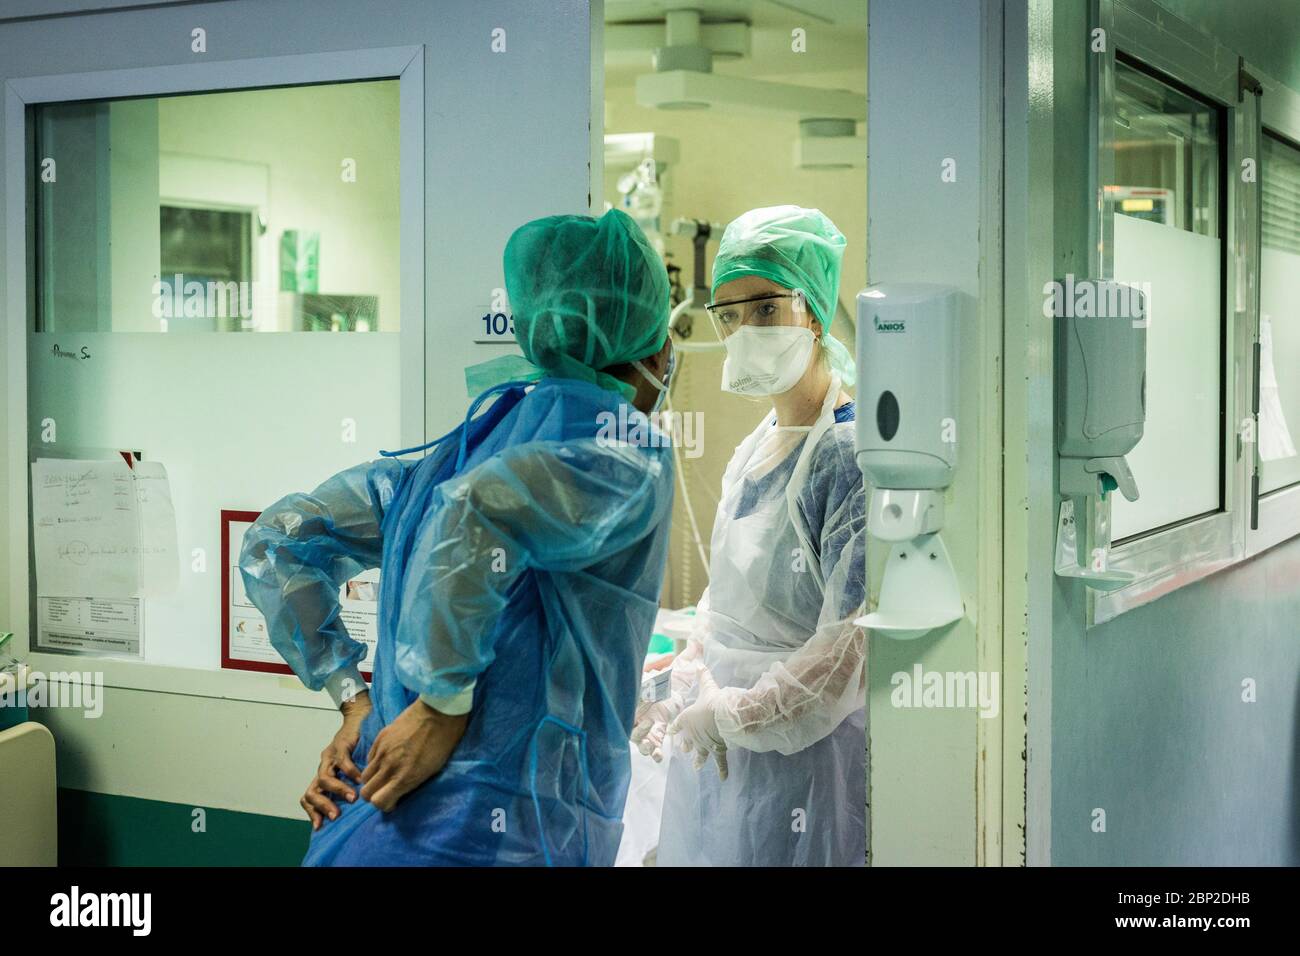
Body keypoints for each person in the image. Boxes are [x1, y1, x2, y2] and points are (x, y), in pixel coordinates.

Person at [239, 208, 676, 866]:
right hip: (500, 838)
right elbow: (479, 512)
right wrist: (442, 705)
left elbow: (278, 540)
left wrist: (352, 701)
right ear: (647, 341)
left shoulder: (456, 451)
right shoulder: (625, 451)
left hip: (371, 825)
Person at [633, 205, 868, 866]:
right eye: (730, 314)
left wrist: (732, 715)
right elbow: (726, 610)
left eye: (766, 309)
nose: (745, 330)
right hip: (725, 769)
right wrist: (686, 680)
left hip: (808, 774)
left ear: (815, 310)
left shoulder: (849, 457)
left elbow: (846, 659)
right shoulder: (754, 449)